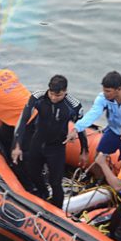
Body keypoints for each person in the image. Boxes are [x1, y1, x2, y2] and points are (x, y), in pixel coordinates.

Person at [11, 75, 88, 208]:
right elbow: (23, 120)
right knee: (32, 172)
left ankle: (57, 209)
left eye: (58, 95)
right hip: (37, 142)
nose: (53, 98)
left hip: (57, 147)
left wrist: (84, 150)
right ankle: (43, 193)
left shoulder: (73, 105)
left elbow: (81, 128)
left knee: (55, 182)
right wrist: (17, 145)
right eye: (51, 94)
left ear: (65, 91)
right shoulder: (38, 97)